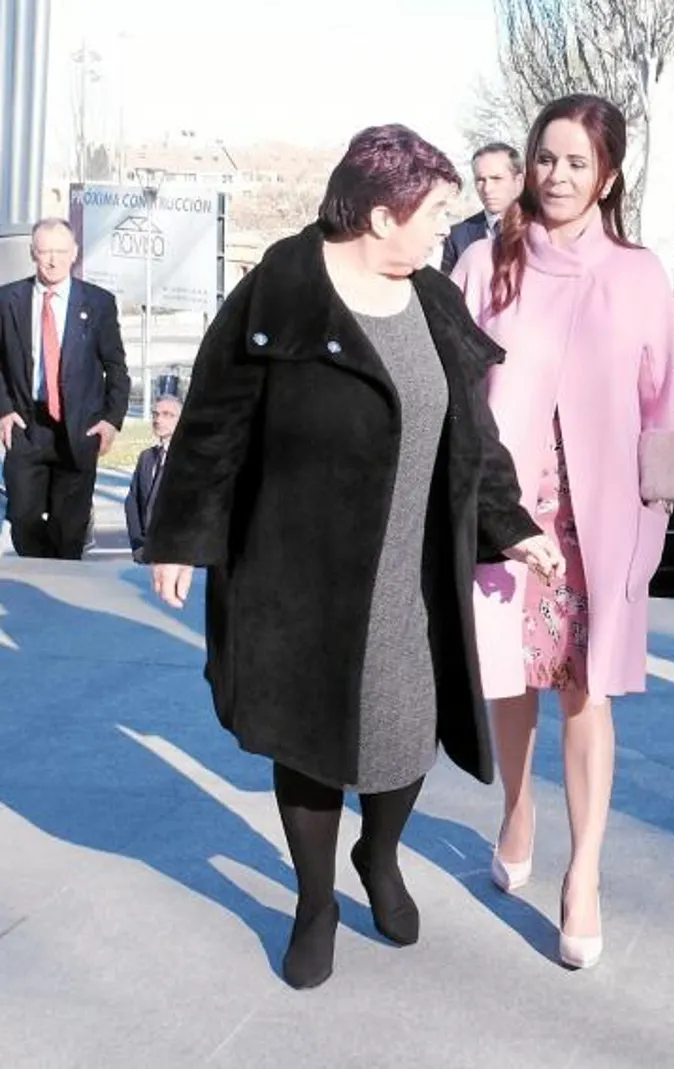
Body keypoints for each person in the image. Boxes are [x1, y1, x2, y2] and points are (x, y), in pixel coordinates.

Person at [143, 124, 564, 991]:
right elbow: (215, 417)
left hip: (413, 573)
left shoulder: (434, 300)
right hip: (298, 572)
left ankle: (378, 854)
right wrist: (184, 533)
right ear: (381, 214)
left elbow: (472, 438)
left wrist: (511, 522)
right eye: (435, 212)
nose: (447, 229)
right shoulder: (282, 293)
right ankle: (314, 902)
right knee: (307, 741)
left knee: (404, 736)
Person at [452, 93, 674, 971]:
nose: (556, 176)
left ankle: (583, 873)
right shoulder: (485, 264)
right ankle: (518, 805)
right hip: (509, 516)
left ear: (609, 174)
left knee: (587, 690)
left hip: (604, 520)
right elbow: (458, 395)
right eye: (544, 158)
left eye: (576, 162)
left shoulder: (640, 274)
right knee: (510, 679)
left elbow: (663, 407)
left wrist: (654, 521)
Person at [0, 218, 130, 559]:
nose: (53, 260)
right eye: (44, 252)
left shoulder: (98, 303)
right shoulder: (8, 299)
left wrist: (111, 420)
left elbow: (116, 367)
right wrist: (4, 408)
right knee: (22, 518)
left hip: (79, 429)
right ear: (33, 253)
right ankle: (42, 569)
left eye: (60, 251)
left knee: (68, 530)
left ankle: (57, 581)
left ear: (74, 253)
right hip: (27, 426)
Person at [441, 142, 524, 275]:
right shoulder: (457, 237)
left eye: (496, 178)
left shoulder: (542, 229)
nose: (487, 189)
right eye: (480, 180)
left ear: (518, 182)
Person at [123, 392, 181, 562]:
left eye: (167, 415)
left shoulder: (190, 460)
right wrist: (138, 545)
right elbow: (132, 501)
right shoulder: (147, 457)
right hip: (146, 553)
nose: (158, 420)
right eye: (155, 414)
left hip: (177, 555)